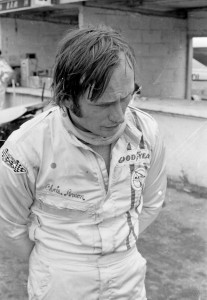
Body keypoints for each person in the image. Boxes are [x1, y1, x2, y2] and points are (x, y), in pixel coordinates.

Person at [0, 26, 167, 300]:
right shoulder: (25, 148)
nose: (119, 116)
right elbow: (10, 226)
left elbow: (151, 203)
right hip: (59, 279)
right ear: (65, 99)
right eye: (103, 105)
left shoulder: (147, 132)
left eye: (126, 97)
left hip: (127, 272)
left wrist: (117, 249)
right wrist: (57, 262)